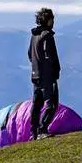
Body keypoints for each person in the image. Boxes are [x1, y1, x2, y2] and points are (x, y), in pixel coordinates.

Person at [27, 7, 61, 140]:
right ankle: (42, 129)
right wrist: (53, 70)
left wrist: (37, 66)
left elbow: (30, 54)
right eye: (52, 19)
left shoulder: (34, 36)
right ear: (48, 20)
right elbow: (49, 55)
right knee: (51, 103)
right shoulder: (47, 36)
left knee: (36, 104)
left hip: (36, 75)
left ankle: (33, 132)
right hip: (47, 76)